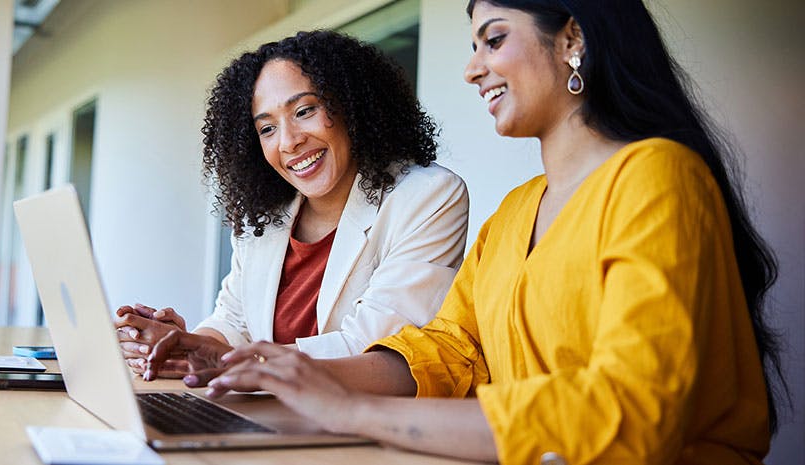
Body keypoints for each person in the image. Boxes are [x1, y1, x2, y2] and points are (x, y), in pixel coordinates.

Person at [146, 1, 788, 463]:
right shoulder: (515, 212)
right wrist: (282, 369)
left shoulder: (657, 176)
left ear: (572, 39)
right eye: (474, 45)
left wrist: (354, 410)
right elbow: (445, 353)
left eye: (493, 38)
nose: (472, 68)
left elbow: (630, 414)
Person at [116, 31, 469, 380]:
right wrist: (184, 346)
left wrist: (229, 359)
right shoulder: (267, 216)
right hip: (264, 416)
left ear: (352, 105)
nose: (289, 142)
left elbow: (377, 346)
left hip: (358, 426)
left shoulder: (429, 196)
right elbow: (233, 322)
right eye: (267, 129)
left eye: (304, 111)